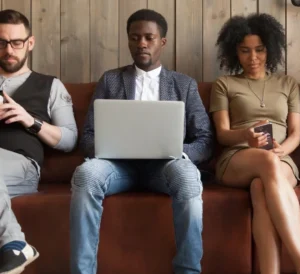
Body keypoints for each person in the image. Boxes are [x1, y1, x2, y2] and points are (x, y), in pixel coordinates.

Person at [69, 9, 213, 274]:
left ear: (162, 42)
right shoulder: (110, 80)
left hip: (165, 168)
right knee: (86, 175)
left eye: (149, 37)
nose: (142, 43)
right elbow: (87, 136)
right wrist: (105, 148)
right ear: (128, 41)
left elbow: (205, 140)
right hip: (118, 167)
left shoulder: (184, 84)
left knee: (188, 176)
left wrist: (180, 152)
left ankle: (188, 270)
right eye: (135, 38)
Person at [210, 13, 300, 274]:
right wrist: (245, 136)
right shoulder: (224, 84)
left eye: (259, 50)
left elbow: (296, 133)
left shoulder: (287, 83)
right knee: (267, 162)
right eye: (245, 51)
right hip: (238, 157)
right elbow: (223, 134)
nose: (253, 58)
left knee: (261, 187)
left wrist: (284, 149)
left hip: (281, 157)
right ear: (234, 51)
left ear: (270, 48)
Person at [0, 9, 77, 273]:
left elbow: (69, 139)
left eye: (16, 42)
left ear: (29, 43)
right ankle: (16, 247)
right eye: (2, 43)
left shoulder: (50, 86)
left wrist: (30, 120)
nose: (9, 49)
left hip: (23, 164)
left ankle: (14, 243)